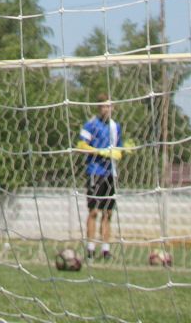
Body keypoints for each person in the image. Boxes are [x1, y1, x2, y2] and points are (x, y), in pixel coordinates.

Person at [77, 99, 123, 261]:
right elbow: (81, 145)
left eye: (109, 106)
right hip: (95, 172)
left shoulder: (115, 127)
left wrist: (120, 152)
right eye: (104, 106)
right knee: (94, 211)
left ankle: (106, 250)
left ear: (113, 108)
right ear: (99, 108)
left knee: (108, 212)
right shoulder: (91, 125)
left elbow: (119, 149)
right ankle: (90, 249)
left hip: (111, 173)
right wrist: (100, 152)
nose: (106, 109)